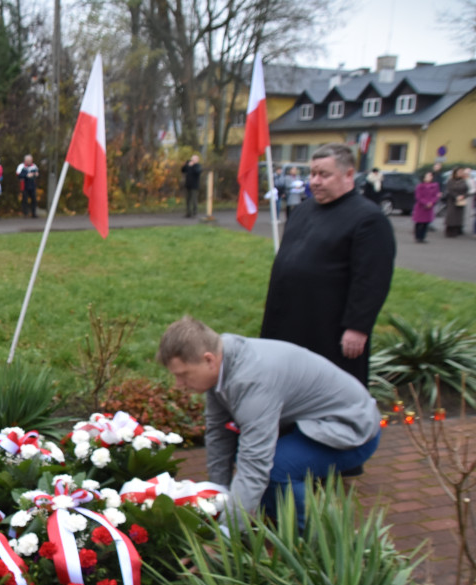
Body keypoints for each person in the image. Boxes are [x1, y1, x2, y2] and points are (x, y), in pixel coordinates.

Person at [157, 316, 382, 530]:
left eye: (184, 375)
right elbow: (218, 434)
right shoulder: (221, 360)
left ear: (208, 360)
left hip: (352, 430)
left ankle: (313, 539)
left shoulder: (253, 381)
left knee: (275, 467)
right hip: (312, 422)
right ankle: (273, 521)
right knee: (253, 472)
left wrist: (224, 536)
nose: (178, 385)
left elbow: (256, 464)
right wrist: (218, 497)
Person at [260, 143, 396, 387]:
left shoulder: (368, 219)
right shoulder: (302, 211)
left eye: (324, 174)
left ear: (348, 174)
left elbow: (372, 279)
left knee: (326, 392)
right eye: (312, 174)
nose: (315, 181)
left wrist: (358, 327)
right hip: (289, 320)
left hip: (328, 328)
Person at [412, 171, 439, 243]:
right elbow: (418, 196)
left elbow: (435, 196)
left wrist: (432, 202)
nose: (429, 177)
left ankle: (422, 237)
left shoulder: (434, 186)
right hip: (421, 207)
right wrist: (426, 203)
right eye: (428, 176)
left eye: (430, 176)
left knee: (426, 223)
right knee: (419, 222)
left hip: (429, 207)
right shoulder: (420, 186)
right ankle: (417, 237)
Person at [443, 167, 468, 238]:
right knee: (451, 215)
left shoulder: (463, 181)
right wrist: (456, 196)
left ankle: (456, 230)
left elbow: (467, 190)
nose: (460, 173)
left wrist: (464, 196)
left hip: (461, 200)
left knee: (458, 216)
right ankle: (449, 230)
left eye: (461, 172)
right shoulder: (451, 181)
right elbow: (449, 190)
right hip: (452, 200)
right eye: (459, 172)